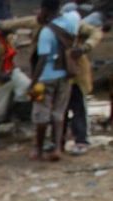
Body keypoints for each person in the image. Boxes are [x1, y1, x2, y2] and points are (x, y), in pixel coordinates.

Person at [29, 0, 79, 162]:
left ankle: (38, 149)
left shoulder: (46, 32)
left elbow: (42, 59)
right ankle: (57, 148)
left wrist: (33, 82)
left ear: (45, 9)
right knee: (59, 113)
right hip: (65, 74)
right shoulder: (71, 21)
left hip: (45, 78)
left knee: (41, 114)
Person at [62, 15, 103, 154]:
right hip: (60, 76)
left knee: (79, 108)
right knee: (61, 110)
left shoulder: (77, 27)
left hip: (77, 76)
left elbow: (96, 33)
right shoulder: (52, 26)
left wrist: (85, 47)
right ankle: (59, 141)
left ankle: (81, 140)